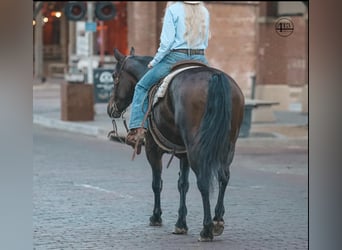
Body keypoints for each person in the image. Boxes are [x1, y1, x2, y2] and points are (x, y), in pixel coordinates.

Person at [126, 1, 211, 152]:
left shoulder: (173, 9)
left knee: (142, 86)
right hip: (200, 58)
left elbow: (166, 43)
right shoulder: (204, 11)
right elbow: (205, 41)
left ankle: (137, 130)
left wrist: (155, 61)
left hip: (176, 57)